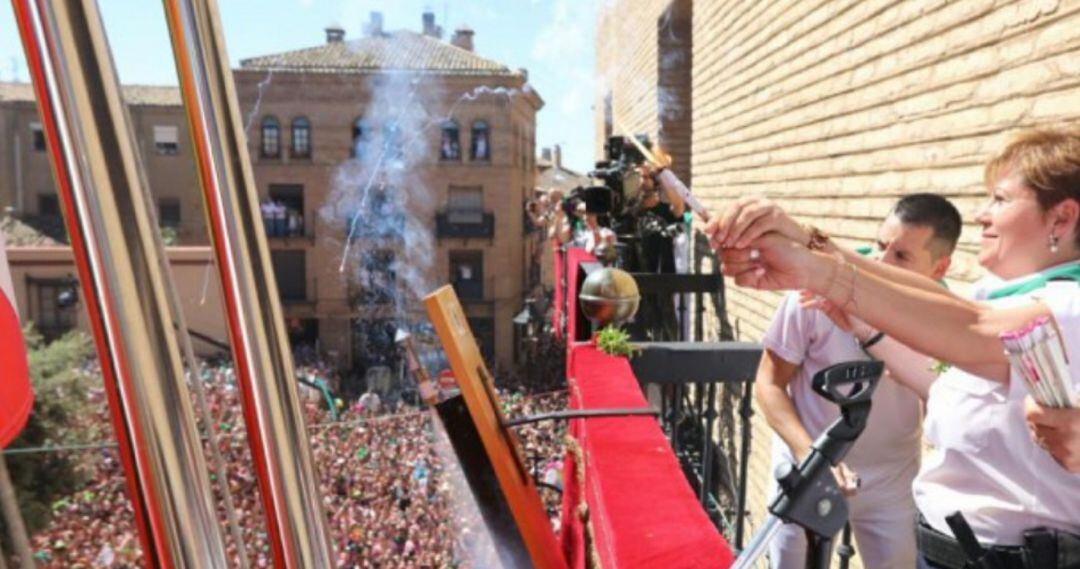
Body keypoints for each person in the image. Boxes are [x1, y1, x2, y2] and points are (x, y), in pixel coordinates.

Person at [709, 127, 1080, 568]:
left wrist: (818, 271)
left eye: (999, 199)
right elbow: (940, 362)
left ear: (1061, 219)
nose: (982, 215)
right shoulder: (997, 295)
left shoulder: (1066, 306)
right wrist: (810, 247)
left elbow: (970, 326)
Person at [757, 194, 961, 569]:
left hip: (892, 480)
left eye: (901, 257)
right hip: (808, 470)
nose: (879, 264)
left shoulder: (948, 318)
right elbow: (768, 384)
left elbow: (949, 406)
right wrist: (811, 457)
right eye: (881, 246)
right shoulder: (815, 290)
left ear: (939, 267)